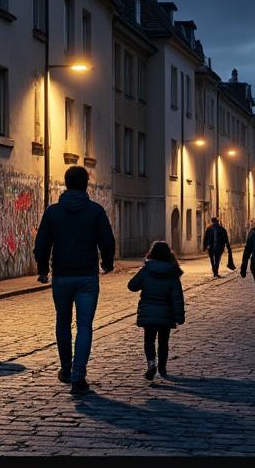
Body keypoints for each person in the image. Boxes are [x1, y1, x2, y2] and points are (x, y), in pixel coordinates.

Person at [34, 166, 115, 395]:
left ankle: (66, 369)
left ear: (66, 183)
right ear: (86, 184)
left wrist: (43, 269)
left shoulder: (53, 212)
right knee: (84, 326)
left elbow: (42, 244)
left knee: (62, 323)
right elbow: (107, 241)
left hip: (61, 276)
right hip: (87, 276)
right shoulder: (95, 211)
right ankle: (78, 376)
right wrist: (107, 263)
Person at [127, 241, 185, 381]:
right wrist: (180, 316)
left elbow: (132, 286)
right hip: (166, 314)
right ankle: (162, 368)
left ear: (151, 253)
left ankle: (151, 364)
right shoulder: (172, 273)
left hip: (149, 312)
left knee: (149, 341)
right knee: (163, 342)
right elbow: (177, 297)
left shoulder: (146, 270)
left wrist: (143, 280)